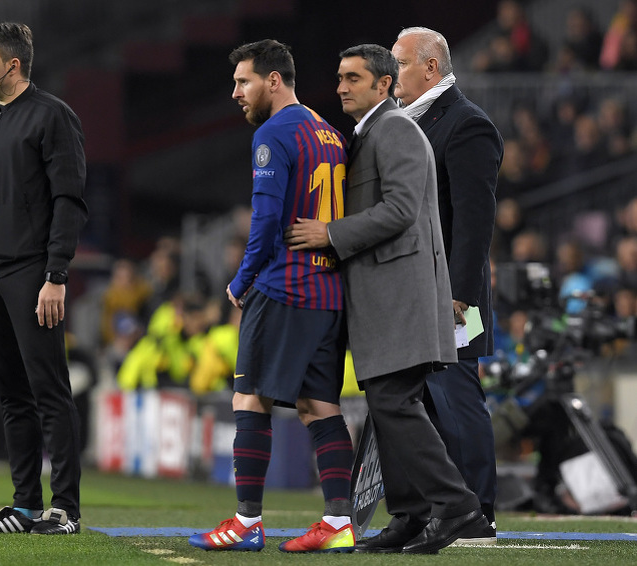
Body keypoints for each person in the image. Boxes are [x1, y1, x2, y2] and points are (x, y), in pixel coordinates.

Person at [284, 43, 487, 554]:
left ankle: (455, 505)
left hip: (401, 298)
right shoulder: (372, 130)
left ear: (383, 84)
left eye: (353, 78)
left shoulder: (395, 128)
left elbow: (399, 210)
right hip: (383, 299)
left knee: (394, 401)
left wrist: (330, 233)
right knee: (386, 404)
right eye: (339, 77)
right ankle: (411, 515)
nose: (341, 87)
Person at [188, 39, 355, 554]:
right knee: (319, 405)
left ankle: (247, 522)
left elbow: (264, 222)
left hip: (285, 286)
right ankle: (338, 522)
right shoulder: (330, 133)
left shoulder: (273, 133)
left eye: (244, 81)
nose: (236, 92)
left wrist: (241, 281)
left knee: (248, 397)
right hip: (329, 291)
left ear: (274, 81)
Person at [0, 22, 88, 536]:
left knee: (49, 390)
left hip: (33, 274)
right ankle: (25, 505)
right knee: (10, 394)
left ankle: (66, 510)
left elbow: (69, 201)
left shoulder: (53, 117)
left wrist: (55, 274)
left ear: (12, 65)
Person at [391, 27, 503, 545]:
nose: (392, 75)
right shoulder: (410, 124)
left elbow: (476, 222)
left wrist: (458, 295)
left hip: (455, 296)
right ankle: (438, 510)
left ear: (431, 68)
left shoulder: (466, 124)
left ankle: (478, 511)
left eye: (401, 64)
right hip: (418, 291)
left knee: (457, 395)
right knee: (428, 404)